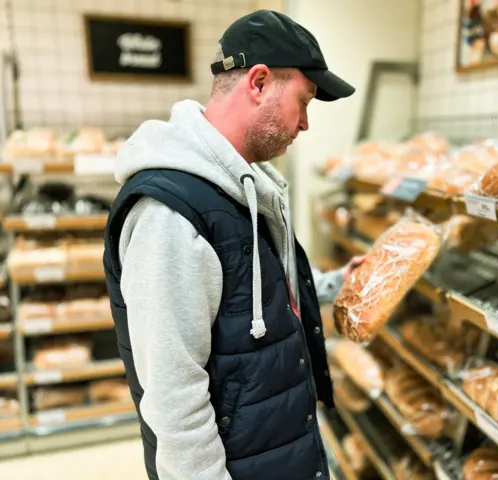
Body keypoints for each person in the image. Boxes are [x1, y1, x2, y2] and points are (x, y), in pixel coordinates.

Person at [102, 9, 362, 480]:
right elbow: (174, 399)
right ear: (258, 83)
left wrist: (329, 285)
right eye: (303, 101)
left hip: (273, 449)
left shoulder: (244, 182)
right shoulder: (170, 213)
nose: (305, 124)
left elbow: (247, 294)